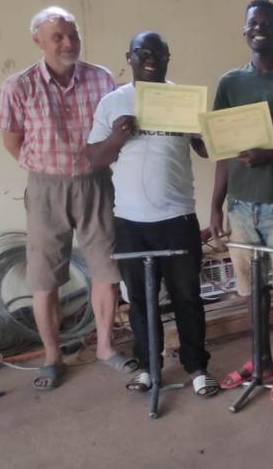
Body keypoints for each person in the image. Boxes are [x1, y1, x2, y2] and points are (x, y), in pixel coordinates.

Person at [0, 6, 134, 390]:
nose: (68, 42)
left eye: (72, 34)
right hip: (46, 189)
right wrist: (43, 166)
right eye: (57, 36)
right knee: (45, 277)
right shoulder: (19, 85)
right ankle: (53, 355)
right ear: (38, 40)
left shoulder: (101, 78)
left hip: (96, 183)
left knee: (106, 270)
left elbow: (113, 130)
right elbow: (11, 139)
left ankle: (106, 347)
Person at [85, 31, 219, 397]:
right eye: (142, 52)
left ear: (167, 58)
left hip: (178, 217)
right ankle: (149, 366)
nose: (150, 58)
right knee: (141, 301)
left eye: (157, 53)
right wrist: (115, 138)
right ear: (128, 56)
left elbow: (207, 150)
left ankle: (197, 366)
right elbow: (93, 159)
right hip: (131, 221)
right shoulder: (113, 102)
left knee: (187, 296)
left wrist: (207, 130)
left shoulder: (183, 100)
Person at [210, 0, 273, 402]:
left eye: (267, 23)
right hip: (241, 205)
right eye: (252, 23)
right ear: (244, 30)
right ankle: (257, 359)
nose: (259, 28)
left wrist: (270, 154)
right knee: (250, 290)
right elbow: (222, 150)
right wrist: (215, 204)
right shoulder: (230, 82)